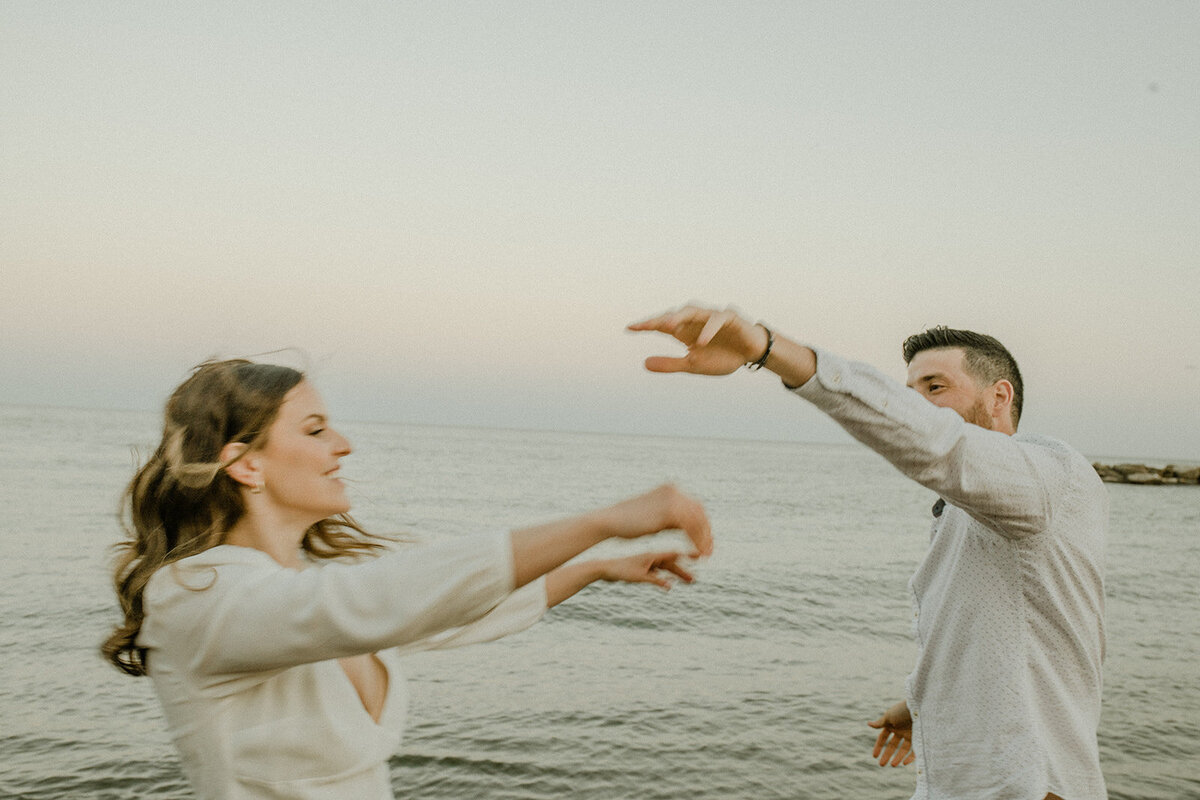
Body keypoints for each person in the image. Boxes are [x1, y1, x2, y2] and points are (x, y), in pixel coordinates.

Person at [102, 358, 712, 800]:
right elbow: (381, 601)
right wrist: (600, 523)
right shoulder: (196, 595)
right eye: (315, 430)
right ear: (246, 464)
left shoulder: (292, 594)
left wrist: (595, 569)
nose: (344, 445)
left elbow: (446, 613)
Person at [629, 305, 1106, 800]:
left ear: (998, 397)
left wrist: (767, 350)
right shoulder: (970, 511)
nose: (915, 404)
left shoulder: (1050, 475)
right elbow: (993, 634)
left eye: (934, 387)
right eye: (910, 392)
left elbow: (938, 443)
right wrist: (920, 701)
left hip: (1032, 786)